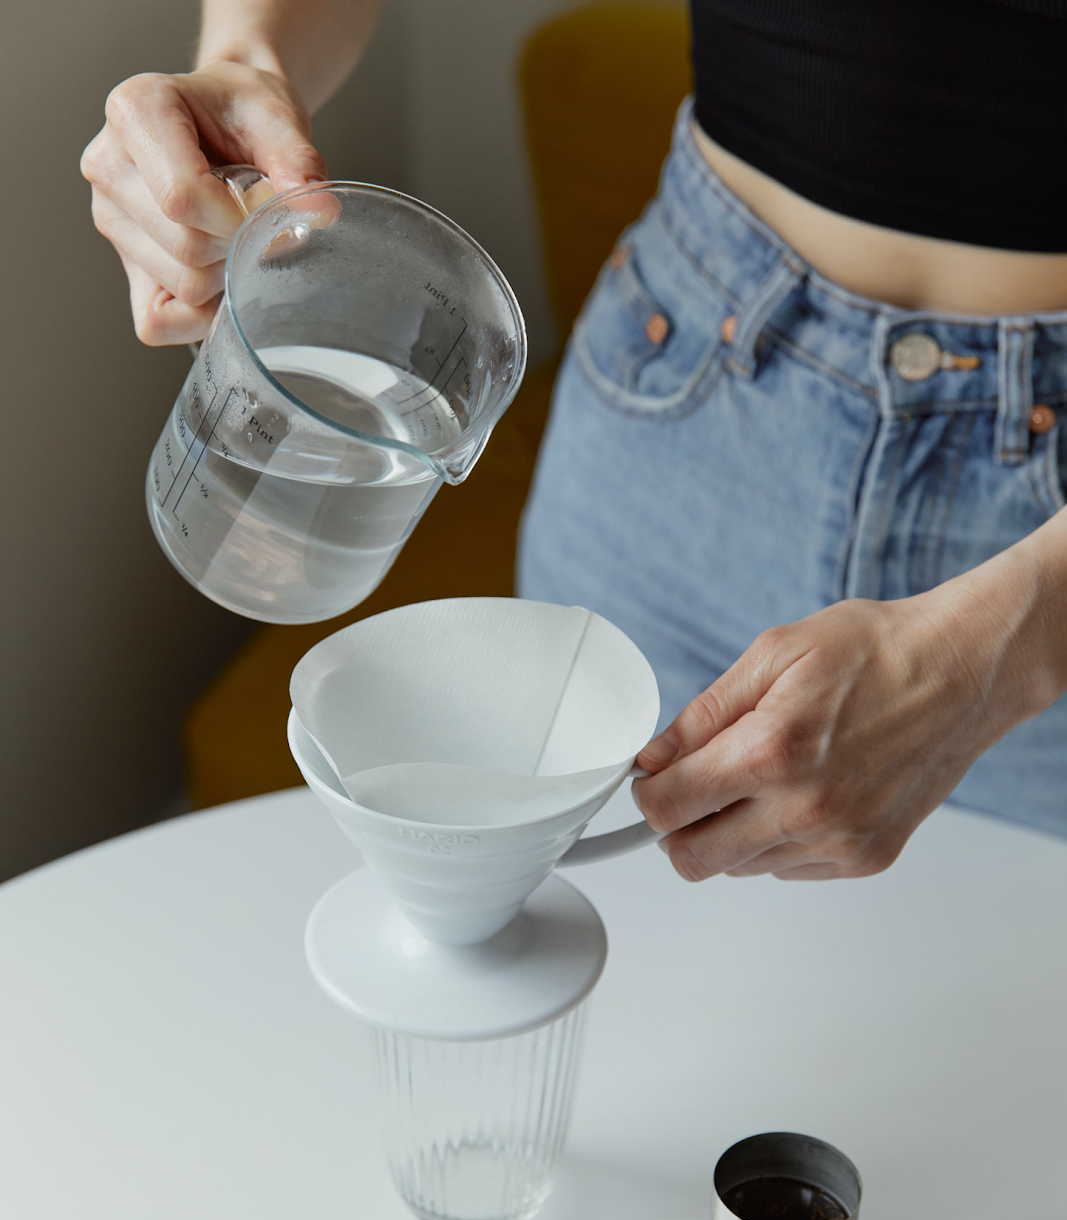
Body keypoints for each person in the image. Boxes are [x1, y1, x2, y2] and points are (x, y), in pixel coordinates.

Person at [82, 0, 1067, 884]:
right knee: (607, 973)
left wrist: (999, 653)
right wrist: (250, 59)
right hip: (679, 407)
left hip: (1043, 564)